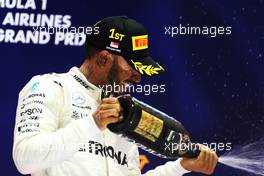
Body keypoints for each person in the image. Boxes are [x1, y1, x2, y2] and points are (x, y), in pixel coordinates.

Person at [13, 16, 218, 176]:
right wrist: (93, 124)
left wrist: (180, 167)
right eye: (132, 66)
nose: (138, 77)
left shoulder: (124, 112)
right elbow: (25, 159)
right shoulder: (50, 86)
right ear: (104, 59)